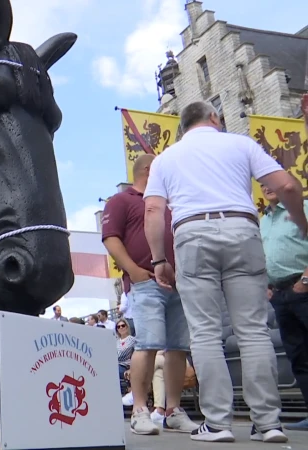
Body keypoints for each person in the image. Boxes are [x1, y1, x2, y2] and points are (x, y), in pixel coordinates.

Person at [144, 100, 306, 443]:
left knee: (204, 332)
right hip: (241, 228)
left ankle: (217, 423)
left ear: (183, 127)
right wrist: (302, 224)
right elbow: (289, 187)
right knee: (253, 330)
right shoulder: (241, 144)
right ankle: (268, 422)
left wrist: (160, 260)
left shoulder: (165, 159)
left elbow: (154, 210)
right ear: (215, 118)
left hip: (192, 233)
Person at [102, 153, 198, 435]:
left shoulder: (168, 203)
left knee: (178, 346)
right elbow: (110, 237)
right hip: (145, 282)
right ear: (149, 169)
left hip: (177, 283)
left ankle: (173, 410)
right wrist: (135, 270)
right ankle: (140, 410)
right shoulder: (122, 200)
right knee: (148, 343)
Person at [261, 146, 308, 432]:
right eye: (262, 182)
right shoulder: (264, 221)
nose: (266, 186)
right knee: (299, 356)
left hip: (304, 287)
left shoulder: (303, 207)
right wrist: (266, 286)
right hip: (279, 295)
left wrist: (305, 281)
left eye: (270, 180)